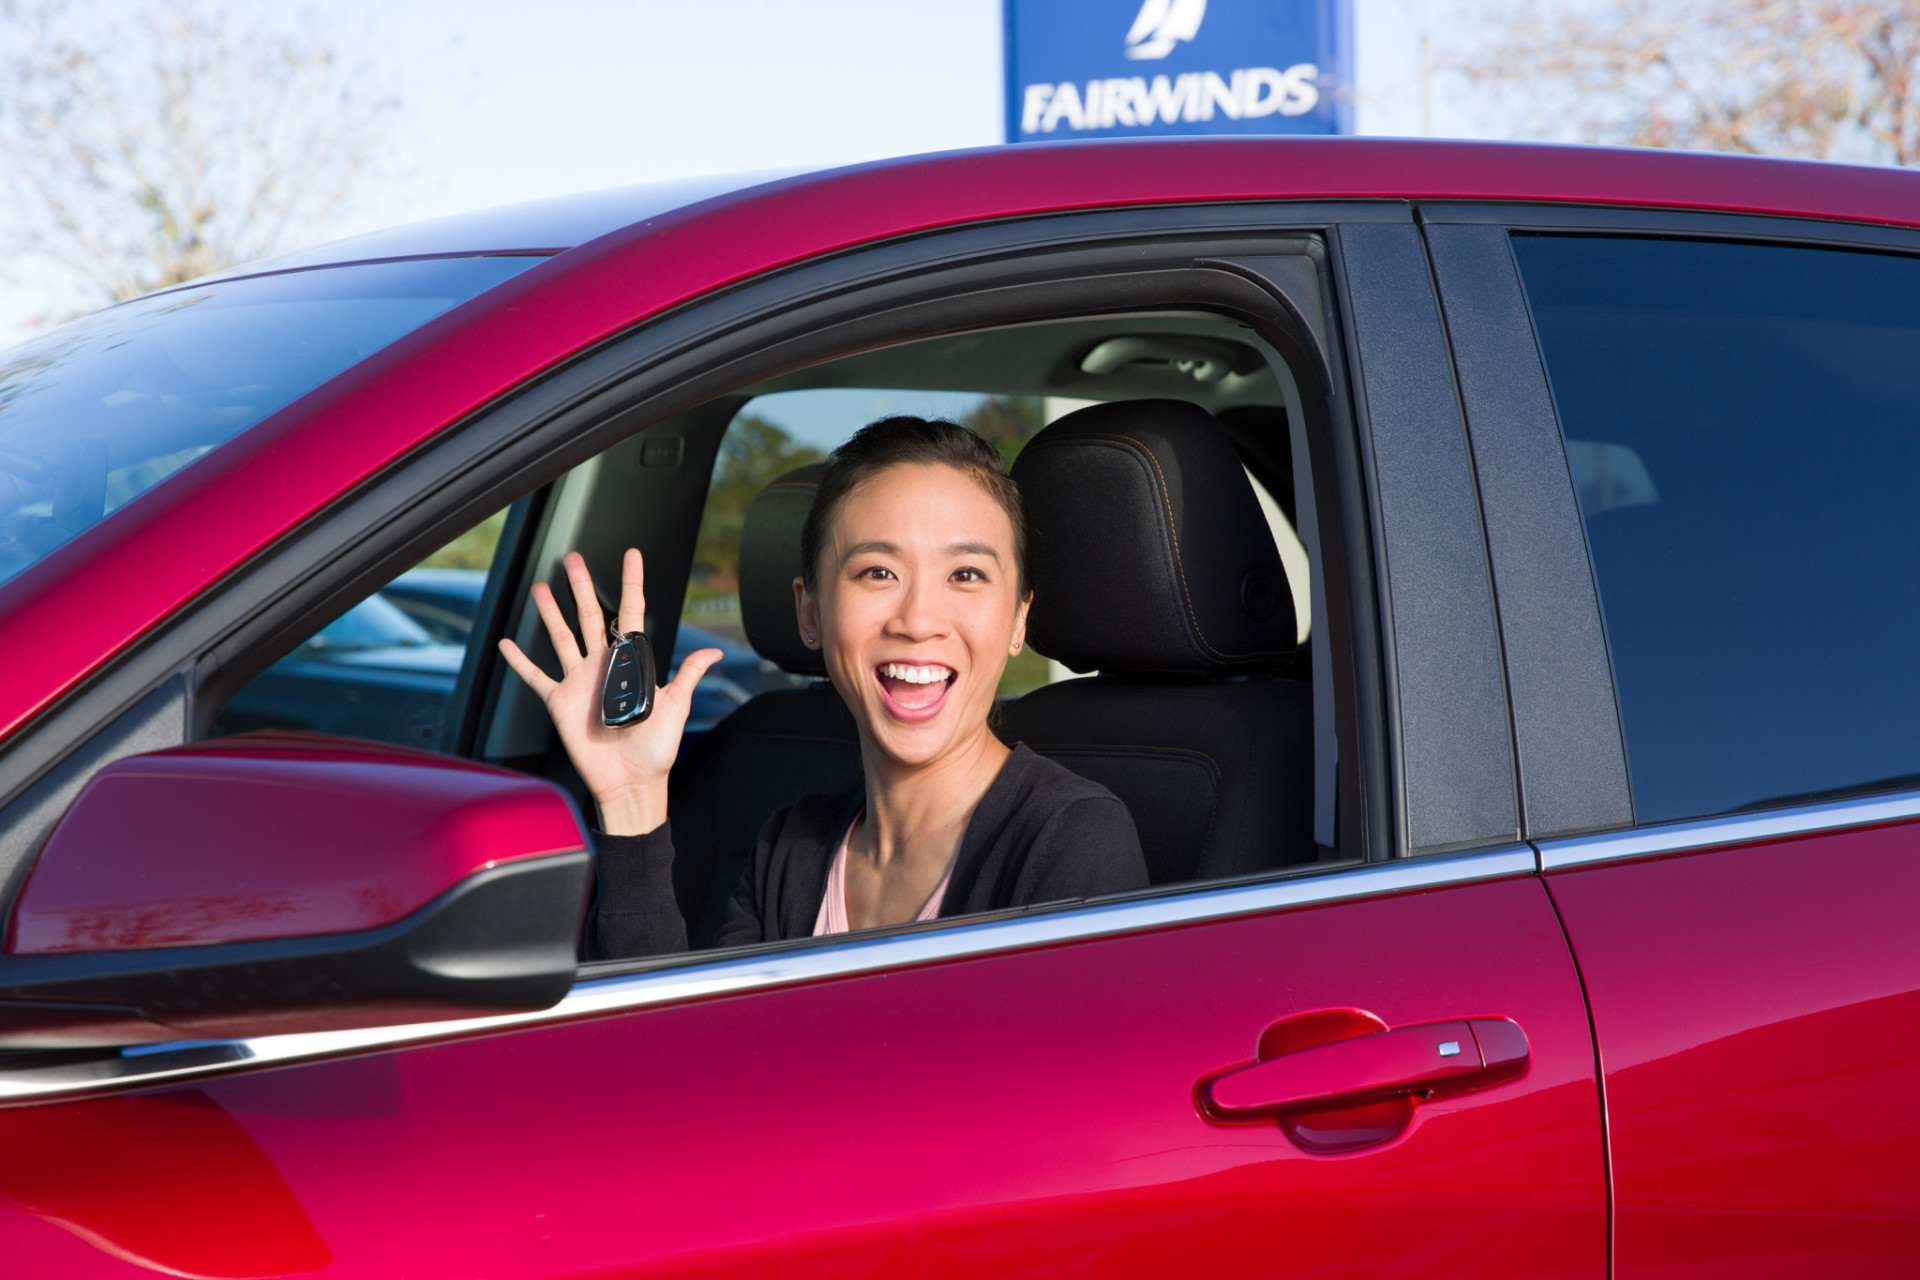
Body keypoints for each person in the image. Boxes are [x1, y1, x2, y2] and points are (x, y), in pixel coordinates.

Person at [500, 416, 1148, 958]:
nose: (918, 620)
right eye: (876, 572)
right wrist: (635, 799)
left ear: (1018, 619)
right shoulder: (791, 847)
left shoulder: (1071, 839)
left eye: (967, 575)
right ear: (809, 613)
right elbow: (691, 1075)